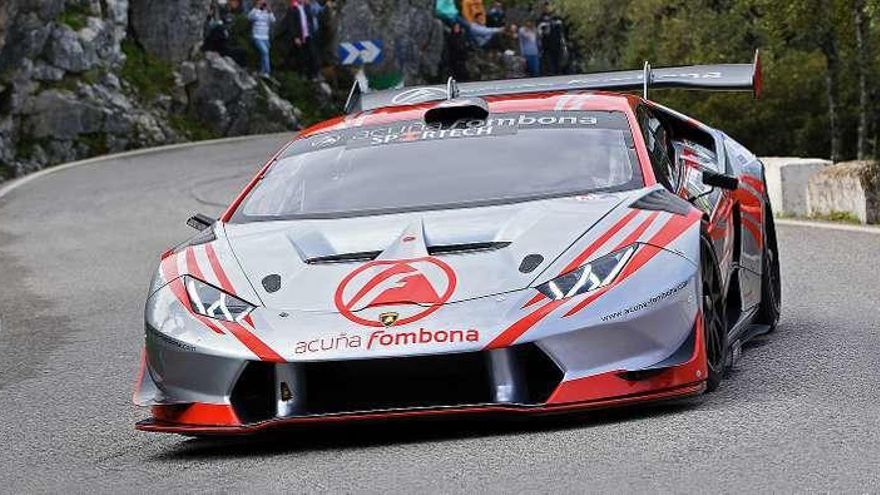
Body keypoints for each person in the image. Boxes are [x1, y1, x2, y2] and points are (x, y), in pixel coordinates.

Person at [280, 0, 319, 79]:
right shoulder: (293, 8)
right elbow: (291, 24)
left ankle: (313, 74)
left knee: (312, 54)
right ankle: (301, 74)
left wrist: (311, 31)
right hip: (299, 36)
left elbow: (310, 19)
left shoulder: (306, 7)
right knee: (301, 56)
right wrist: (295, 37)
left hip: (308, 35)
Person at [536, 1, 567, 75]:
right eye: (545, 6)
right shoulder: (541, 19)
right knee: (550, 66)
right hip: (546, 46)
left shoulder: (557, 18)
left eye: (549, 6)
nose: (547, 8)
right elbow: (539, 32)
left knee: (559, 64)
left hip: (557, 44)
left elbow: (562, 31)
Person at [248, 0, 275, 77]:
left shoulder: (267, 12)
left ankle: (262, 71)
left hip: (265, 37)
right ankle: (267, 72)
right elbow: (249, 17)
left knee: (264, 54)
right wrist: (256, 7)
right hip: (257, 36)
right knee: (265, 52)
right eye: (261, 3)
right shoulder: (255, 11)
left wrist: (270, 11)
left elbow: (273, 20)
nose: (263, 5)